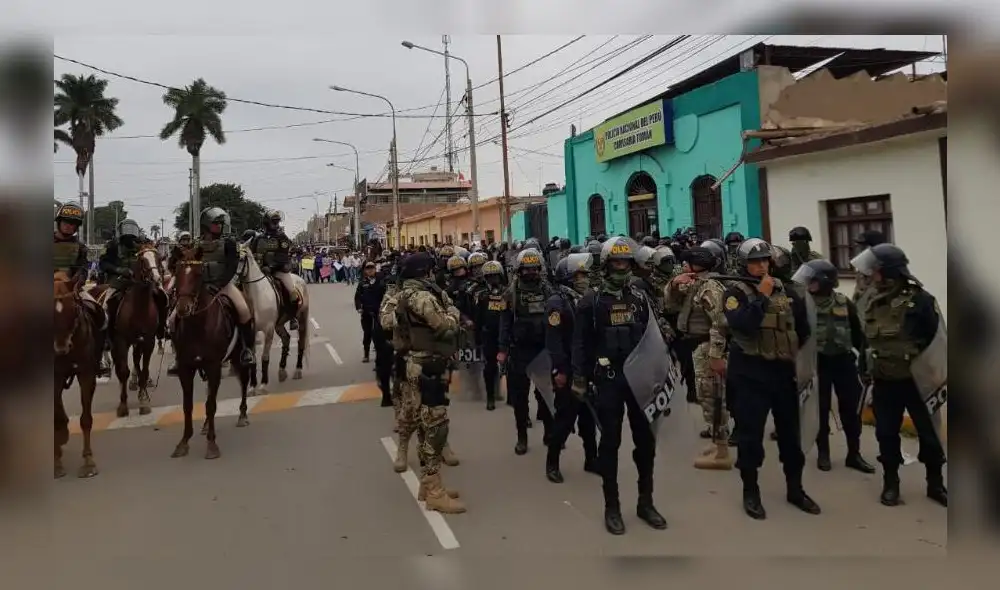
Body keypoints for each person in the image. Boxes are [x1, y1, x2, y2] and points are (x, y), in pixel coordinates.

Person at [571, 236, 667, 535]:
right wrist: (579, 379)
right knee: (610, 445)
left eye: (626, 262)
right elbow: (580, 344)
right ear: (606, 264)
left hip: (639, 381)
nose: (621, 267)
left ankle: (645, 502)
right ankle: (611, 507)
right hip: (609, 381)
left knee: (646, 443)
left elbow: (653, 334)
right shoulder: (592, 300)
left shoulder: (639, 297)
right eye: (616, 262)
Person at [723, 237, 820, 520]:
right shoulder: (734, 293)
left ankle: (795, 489)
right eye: (754, 262)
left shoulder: (787, 292)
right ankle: (750, 492)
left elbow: (802, 330)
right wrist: (762, 297)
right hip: (750, 376)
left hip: (783, 375)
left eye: (765, 260)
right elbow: (743, 325)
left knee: (791, 437)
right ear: (743, 264)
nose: (761, 265)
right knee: (751, 439)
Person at [851, 243, 947, 507]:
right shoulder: (870, 299)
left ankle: (936, 484)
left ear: (888, 271)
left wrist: (936, 379)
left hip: (918, 383)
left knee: (929, 435)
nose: (871, 275)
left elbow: (936, 340)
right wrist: (864, 370)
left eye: (875, 270)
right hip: (885, 382)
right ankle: (891, 484)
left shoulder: (920, 300)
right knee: (886, 434)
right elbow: (865, 340)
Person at [392, 252, 466, 513]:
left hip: (421, 365)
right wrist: (454, 313)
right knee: (436, 428)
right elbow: (445, 327)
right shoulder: (422, 297)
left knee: (425, 426)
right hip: (426, 367)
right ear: (425, 272)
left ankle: (429, 484)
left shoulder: (409, 294)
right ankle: (435, 492)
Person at [792, 259, 876, 474]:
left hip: (843, 361)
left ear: (826, 282)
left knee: (852, 409)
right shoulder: (803, 304)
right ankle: (823, 453)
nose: (809, 284)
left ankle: (854, 454)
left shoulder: (844, 303)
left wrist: (866, 364)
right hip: (817, 364)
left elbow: (859, 336)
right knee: (819, 409)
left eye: (813, 281)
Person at [666, 246, 732, 470]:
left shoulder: (710, 288)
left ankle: (722, 451)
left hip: (706, 348)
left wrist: (715, 355)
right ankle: (717, 443)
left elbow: (720, 323)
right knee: (707, 397)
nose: (683, 266)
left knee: (712, 398)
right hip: (697, 348)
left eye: (687, 263)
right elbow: (671, 303)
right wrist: (675, 283)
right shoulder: (696, 284)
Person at [544, 254, 599, 483]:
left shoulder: (587, 298)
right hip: (567, 368)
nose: (583, 279)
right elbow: (554, 341)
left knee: (589, 418)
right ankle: (552, 463)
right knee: (565, 419)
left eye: (585, 274)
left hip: (588, 367)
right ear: (566, 277)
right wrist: (560, 371)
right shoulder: (557, 303)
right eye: (579, 275)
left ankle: (592, 459)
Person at [178, 208, 255, 366]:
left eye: (221, 224)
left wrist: (220, 283)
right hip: (198, 288)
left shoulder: (229, 243)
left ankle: (246, 349)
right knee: (174, 317)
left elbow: (232, 266)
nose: (220, 227)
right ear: (207, 225)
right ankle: (179, 355)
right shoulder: (195, 243)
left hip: (223, 285)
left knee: (244, 310)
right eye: (216, 224)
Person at [498, 248, 554, 455]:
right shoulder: (511, 293)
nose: (531, 272)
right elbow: (504, 324)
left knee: (546, 396)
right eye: (527, 269)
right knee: (520, 399)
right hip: (519, 351)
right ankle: (522, 437)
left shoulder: (548, 290)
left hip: (543, 351)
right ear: (519, 271)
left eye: (535, 269)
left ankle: (550, 433)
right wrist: (502, 350)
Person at [100, 219, 167, 347]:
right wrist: (119, 269)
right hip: (118, 282)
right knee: (105, 305)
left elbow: (152, 257)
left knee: (162, 297)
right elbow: (103, 263)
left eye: (132, 231)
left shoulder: (143, 244)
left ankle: (162, 328)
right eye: (126, 231)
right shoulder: (112, 246)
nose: (129, 235)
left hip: (141, 283)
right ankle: (106, 337)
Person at [251, 210, 300, 331]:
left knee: (292, 293)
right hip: (260, 271)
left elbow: (282, 256)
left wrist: (271, 267)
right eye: (274, 222)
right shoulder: (258, 239)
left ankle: (292, 317)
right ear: (267, 223)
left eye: (277, 222)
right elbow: (252, 254)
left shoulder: (282, 237)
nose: (276, 224)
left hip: (278, 271)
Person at [475, 260, 507, 411]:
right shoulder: (481, 296)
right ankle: (490, 397)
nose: (493, 280)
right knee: (490, 367)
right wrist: (478, 338)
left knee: (513, 369)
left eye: (495, 276)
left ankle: (514, 398)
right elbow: (478, 318)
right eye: (489, 277)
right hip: (489, 335)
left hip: (507, 335)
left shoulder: (508, 293)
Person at [354, 261, 383, 364]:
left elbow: (385, 295)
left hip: (378, 312)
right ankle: (366, 354)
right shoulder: (362, 283)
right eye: (368, 268)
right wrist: (359, 307)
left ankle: (380, 357)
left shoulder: (381, 281)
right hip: (366, 312)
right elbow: (357, 297)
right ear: (365, 270)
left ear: (375, 269)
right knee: (367, 333)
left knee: (379, 334)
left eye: (372, 268)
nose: (370, 270)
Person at [851, 230, 886, 304]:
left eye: (862, 246)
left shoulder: (885, 266)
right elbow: (859, 291)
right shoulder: (863, 266)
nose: (859, 248)